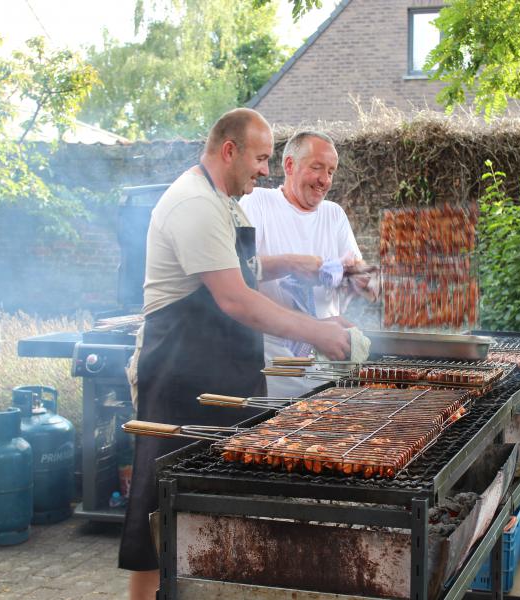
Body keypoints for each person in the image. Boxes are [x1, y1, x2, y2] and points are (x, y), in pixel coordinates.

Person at [119, 109, 351, 600]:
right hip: (179, 381)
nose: (265, 170)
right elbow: (235, 298)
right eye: (262, 158)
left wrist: (294, 274)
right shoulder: (194, 204)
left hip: (225, 378)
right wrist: (315, 333)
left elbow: (242, 267)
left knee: (217, 518)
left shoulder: (226, 201)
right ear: (230, 151)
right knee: (162, 515)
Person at [240, 130, 368, 398]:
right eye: (317, 168)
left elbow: (356, 270)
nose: (325, 180)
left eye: (331, 171)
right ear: (289, 165)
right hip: (275, 355)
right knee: (286, 429)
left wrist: (360, 280)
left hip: (327, 350)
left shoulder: (334, 214)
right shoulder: (257, 203)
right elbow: (239, 270)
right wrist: (292, 265)